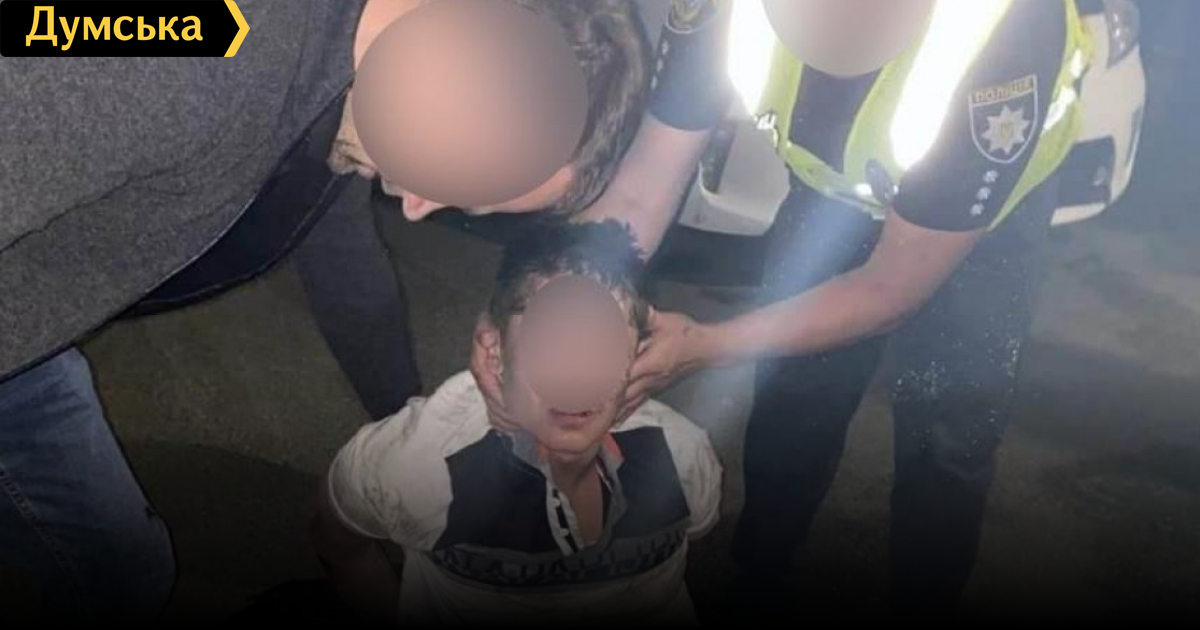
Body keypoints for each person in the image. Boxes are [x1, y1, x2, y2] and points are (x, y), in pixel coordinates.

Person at [0, 0, 649, 619]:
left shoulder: (357, 88)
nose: (416, 208)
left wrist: (414, 422)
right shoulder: (199, 50)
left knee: (122, 575)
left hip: (31, 336)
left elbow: (349, 275)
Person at [473, 0, 1093, 619]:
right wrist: (527, 304)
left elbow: (889, 290)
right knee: (794, 390)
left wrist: (708, 345)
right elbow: (642, 188)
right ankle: (765, 569)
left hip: (985, 213)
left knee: (949, 424)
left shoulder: (1003, 32)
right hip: (835, 185)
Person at [310, 220, 722, 626]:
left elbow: (689, 552)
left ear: (638, 356)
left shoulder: (682, 455)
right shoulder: (416, 460)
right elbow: (341, 545)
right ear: (495, 350)